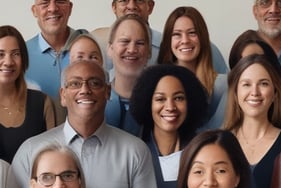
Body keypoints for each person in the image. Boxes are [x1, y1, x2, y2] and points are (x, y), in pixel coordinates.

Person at [12, 60, 161, 188]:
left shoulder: (134, 151)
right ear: (63, 95)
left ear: (107, 92)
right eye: (75, 83)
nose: (85, 90)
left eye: (94, 83)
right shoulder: (30, 151)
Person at [224, 54, 281, 188]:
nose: (254, 92)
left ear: (275, 93)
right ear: (235, 92)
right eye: (246, 84)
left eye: (263, 84)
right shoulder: (219, 144)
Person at [129, 64, 207, 188]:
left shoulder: (202, 150)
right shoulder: (134, 152)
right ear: (147, 103)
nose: (170, 107)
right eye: (160, 99)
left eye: (178, 98)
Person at [0, 25, 56, 164]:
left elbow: (53, 158)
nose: (8, 62)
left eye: (15, 54)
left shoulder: (42, 103)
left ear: (23, 59)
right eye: (0, 54)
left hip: (33, 185)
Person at [90, 0, 228, 73]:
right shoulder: (96, 47)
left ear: (150, 6)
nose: (131, 6)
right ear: (114, 7)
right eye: (123, 0)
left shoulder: (183, 46)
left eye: (139, 0)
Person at [158, 6, 227, 129]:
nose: (185, 40)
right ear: (169, 40)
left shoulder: (222, 85)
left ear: (202, 38)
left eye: (192, 33)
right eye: (177, 34)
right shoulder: (156, 82)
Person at [105, 14, 151, 136]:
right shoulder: (97, 101)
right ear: (110, 48)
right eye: (124, 41)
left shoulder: (159, 104)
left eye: (140, 43)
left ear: (149, 52)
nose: (131, 49)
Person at [24, 0, 76, 105]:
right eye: (44, 3)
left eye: (60, 1)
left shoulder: (91, 49)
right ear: (34, 10)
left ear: (70, 8)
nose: (52, 8)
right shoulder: (21, 54)